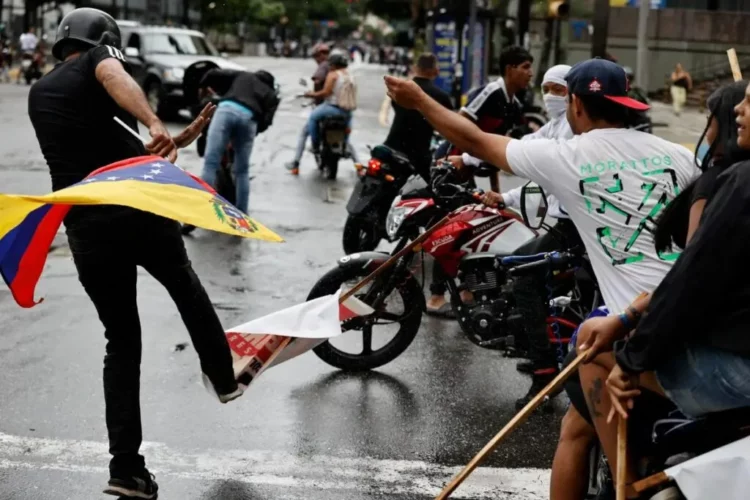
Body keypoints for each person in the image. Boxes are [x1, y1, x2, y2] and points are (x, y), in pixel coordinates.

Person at [384, 57, 701, 492]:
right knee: (576, 423)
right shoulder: (678, 157)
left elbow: (475, 140)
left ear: (575, 105)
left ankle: (628, 478)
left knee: (581, 369)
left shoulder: (568, 155)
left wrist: (418, 99)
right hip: (692, 313)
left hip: (636, 333)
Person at [27, 8, 242, 498]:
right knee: (184, 285)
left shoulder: (42, 93)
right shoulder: (100, 63)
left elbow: (115, 151)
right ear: (106, 42)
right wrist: (152, 117)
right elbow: (111, 73)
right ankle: (224, 376)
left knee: (121, 341)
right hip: (134, 212)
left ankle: (126, 468)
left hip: (84, 226)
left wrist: (172, 141)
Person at [572, 80, 750, 492]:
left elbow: (692, 280)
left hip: (737, 374)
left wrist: (632, 361)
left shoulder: (738, 182)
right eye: (739, 102)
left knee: (589, 342)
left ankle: (626, 484)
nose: (741, 110)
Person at [458, 65, 579, 407]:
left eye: (558, 90)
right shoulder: (556, 126)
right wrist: (506, 198)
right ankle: (533, 342)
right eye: (547, 89)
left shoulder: (572, 130)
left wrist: (463, 158)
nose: (551, 97)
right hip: (561, 225)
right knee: (518, 267)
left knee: (522, 276)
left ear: (573, 93)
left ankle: (543, 372)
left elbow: (524, 157)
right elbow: (521, 149)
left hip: (571, 229)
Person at [426, 46, 533, 314]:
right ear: (510, 69)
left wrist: (497, 195)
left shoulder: (514, 105)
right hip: (450, 166)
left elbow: (495, 148)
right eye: (526, 67)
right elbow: (458, 123)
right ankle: (436, 296)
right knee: (449, 230)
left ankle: (466, 291)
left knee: (474, 227)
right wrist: (454, 164)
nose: (530, 74)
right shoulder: (489, 93)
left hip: (469, 172)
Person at [196, 66, 280, 215]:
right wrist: (252, 131)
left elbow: (213, 73)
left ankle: (199, 211)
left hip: (227, 110)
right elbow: (266, 122)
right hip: (249, 119)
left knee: (211, 163)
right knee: (242, 171)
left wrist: (202, 87)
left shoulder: (244, 75)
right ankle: (241, 216)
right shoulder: (271, 94)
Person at [384, 53, 453, 182]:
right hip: (418, 154)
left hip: (390, 147)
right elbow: (451, 123)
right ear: (435, 70)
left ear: (416, 67)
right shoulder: (441, 96)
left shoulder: (401, 88)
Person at [287, 53, 356, 170]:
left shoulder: (333, 75)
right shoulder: (350, 75)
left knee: (312, 119)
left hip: (331, 108)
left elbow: (325, 93)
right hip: (347, 111)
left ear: (334, 64)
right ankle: (358, 166)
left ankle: (314, 145)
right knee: (346, 136)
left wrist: (310, 94)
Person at [286, 42, 329, 174]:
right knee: (347, 139)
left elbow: (317, 80)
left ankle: (296, 162)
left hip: (325, 106)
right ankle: (359, 165)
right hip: (339, 108)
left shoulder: (324, 65)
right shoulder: (336, 69)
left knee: (305, 131)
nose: (316, 59)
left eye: (317, 55)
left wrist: (314, 93)